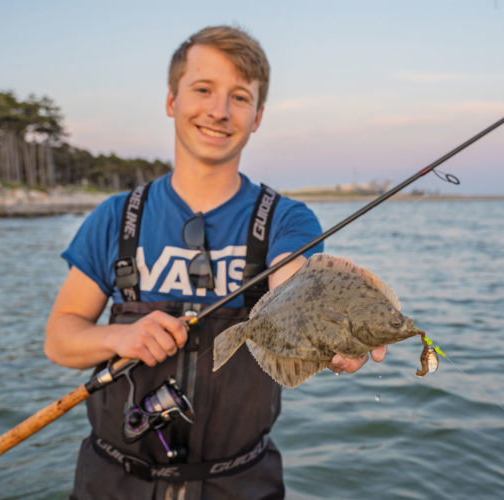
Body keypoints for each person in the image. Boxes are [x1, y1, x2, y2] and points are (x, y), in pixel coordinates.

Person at [44, 25, 386, 499]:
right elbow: (60, 338)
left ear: (258, 116)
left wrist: (331, 312)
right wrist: (120, 335)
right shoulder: (114, 218)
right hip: (111, 482)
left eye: (240, 97)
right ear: (171, 101)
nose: (219, 111)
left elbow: (295, 275)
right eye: (203, 89)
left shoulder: (287, 219)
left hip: (240, 483)